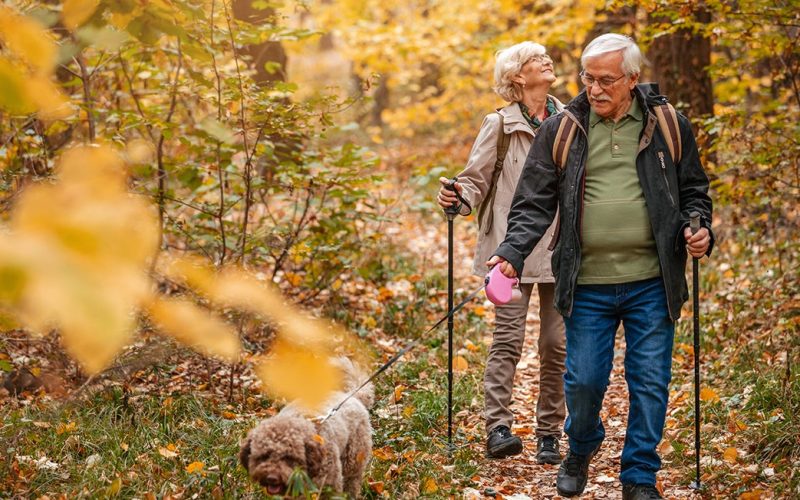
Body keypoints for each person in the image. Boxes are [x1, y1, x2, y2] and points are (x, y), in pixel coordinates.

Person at [488, 34, 713, 499]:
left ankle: (639, 476)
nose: (594, 88)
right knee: (585, 382)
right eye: (588, 77)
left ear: (632, 79)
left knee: (649, 381)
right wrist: (511, 252)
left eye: (606, 79)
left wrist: (698, 226)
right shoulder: (563, 128)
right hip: (586, 280)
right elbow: (532, 203)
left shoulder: (669, 124)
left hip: (653, 280)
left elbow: (694, 191)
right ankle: (582, 445)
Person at [437, 41, 567, 464]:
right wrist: (458, 197)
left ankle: (550, 431)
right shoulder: (499, 124)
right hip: (508, 252)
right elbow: (475, 179)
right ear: (517, 76)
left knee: (556, 344)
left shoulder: (570, 121)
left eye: (546, 56)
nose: (546, 61)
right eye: (535, 59)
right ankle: (498, 427)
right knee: (508, 340)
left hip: (559, 247)